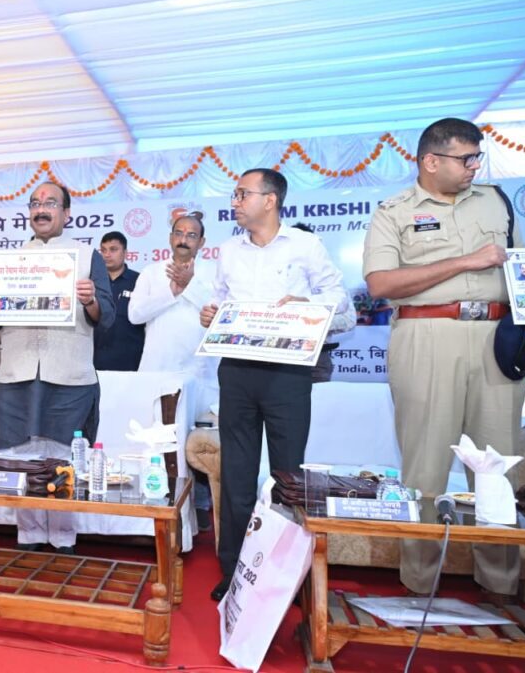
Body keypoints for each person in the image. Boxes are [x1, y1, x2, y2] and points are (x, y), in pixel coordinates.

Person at [363, 117, 525, 603]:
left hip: (496, 339)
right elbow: (381, 284)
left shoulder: (496, 201)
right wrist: (465, 261)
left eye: (477, 156)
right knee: (425, 467)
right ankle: (419, 584)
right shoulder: (394, 212)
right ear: (431, 161)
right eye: (466, 158)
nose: (475, 166)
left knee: (498, 467)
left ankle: (500, 584)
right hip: (426, 335)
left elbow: (521, 266)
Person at [200, 169, 349, 601]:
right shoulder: (229, 251)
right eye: (234, 195)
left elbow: (341, 303)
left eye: (242, 194)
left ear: (270, 200)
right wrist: (211, 315)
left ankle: (288, 576)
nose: (234, 201)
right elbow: (220, 301)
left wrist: (308, 306)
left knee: (288, 476)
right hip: (236, 370)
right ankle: (234, 570)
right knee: (236, 475)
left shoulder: (305, 245)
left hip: (287, 372)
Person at [0, 181, 113, 553]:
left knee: (63, 456)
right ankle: (29, 534)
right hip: (17, 372)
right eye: (35, 203)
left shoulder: (87, 257)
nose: (41, 209)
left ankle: (63, 537)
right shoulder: (8, 262)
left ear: (67, 213)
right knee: (19, 456)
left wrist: (91, 299)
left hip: (69, 375)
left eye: (50, 203)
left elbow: (107, 316)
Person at [128, 214, 218, 530]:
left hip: (201, 373)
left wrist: (189, 285)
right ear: (170, 238)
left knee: (200, 444)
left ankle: (202, 508)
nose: (184, 239)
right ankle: (158, 504)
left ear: (202, 242)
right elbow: (135, 314)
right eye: (179, 233)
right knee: (158, 443)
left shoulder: (214, 273)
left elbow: (218, 313)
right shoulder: (152, 273)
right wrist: (172, 291)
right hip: (158, 372)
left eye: (191, 235)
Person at [291, 223, 356, 382]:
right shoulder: (273, 277)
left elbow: (349, 319)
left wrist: (305, 322)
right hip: (274, 361)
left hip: (315, 359)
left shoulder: (329, 279)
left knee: (315, 399)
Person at [93, 231, 144, 371]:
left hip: (130, 360)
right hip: (94, 360)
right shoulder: (92, 282)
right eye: (103, 250)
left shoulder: (140, 281)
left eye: (113, 249)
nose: (107, 255)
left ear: (125, 253)